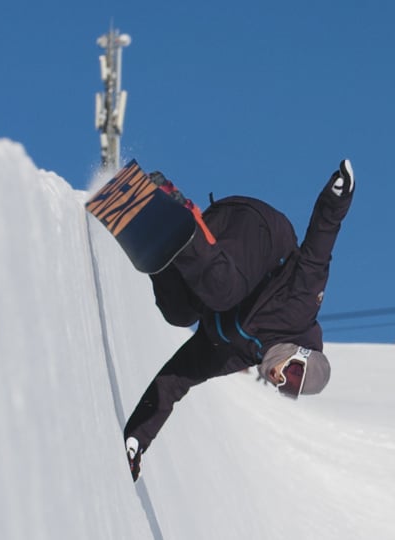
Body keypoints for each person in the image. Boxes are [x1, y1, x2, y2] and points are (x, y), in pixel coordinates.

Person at [123, 159, 355, 481]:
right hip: (258, 231)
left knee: (179, 314)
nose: (280, 380)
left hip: (213, 243)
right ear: (301, 353)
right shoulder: (300, 308)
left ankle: (151, 231)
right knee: (222, 292)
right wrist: (337, 198)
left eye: (287, 388)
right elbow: (318, 249)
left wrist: (136, 438)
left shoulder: (237, 353)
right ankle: (170, 205)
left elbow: (176, 380)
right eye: (292, 373)